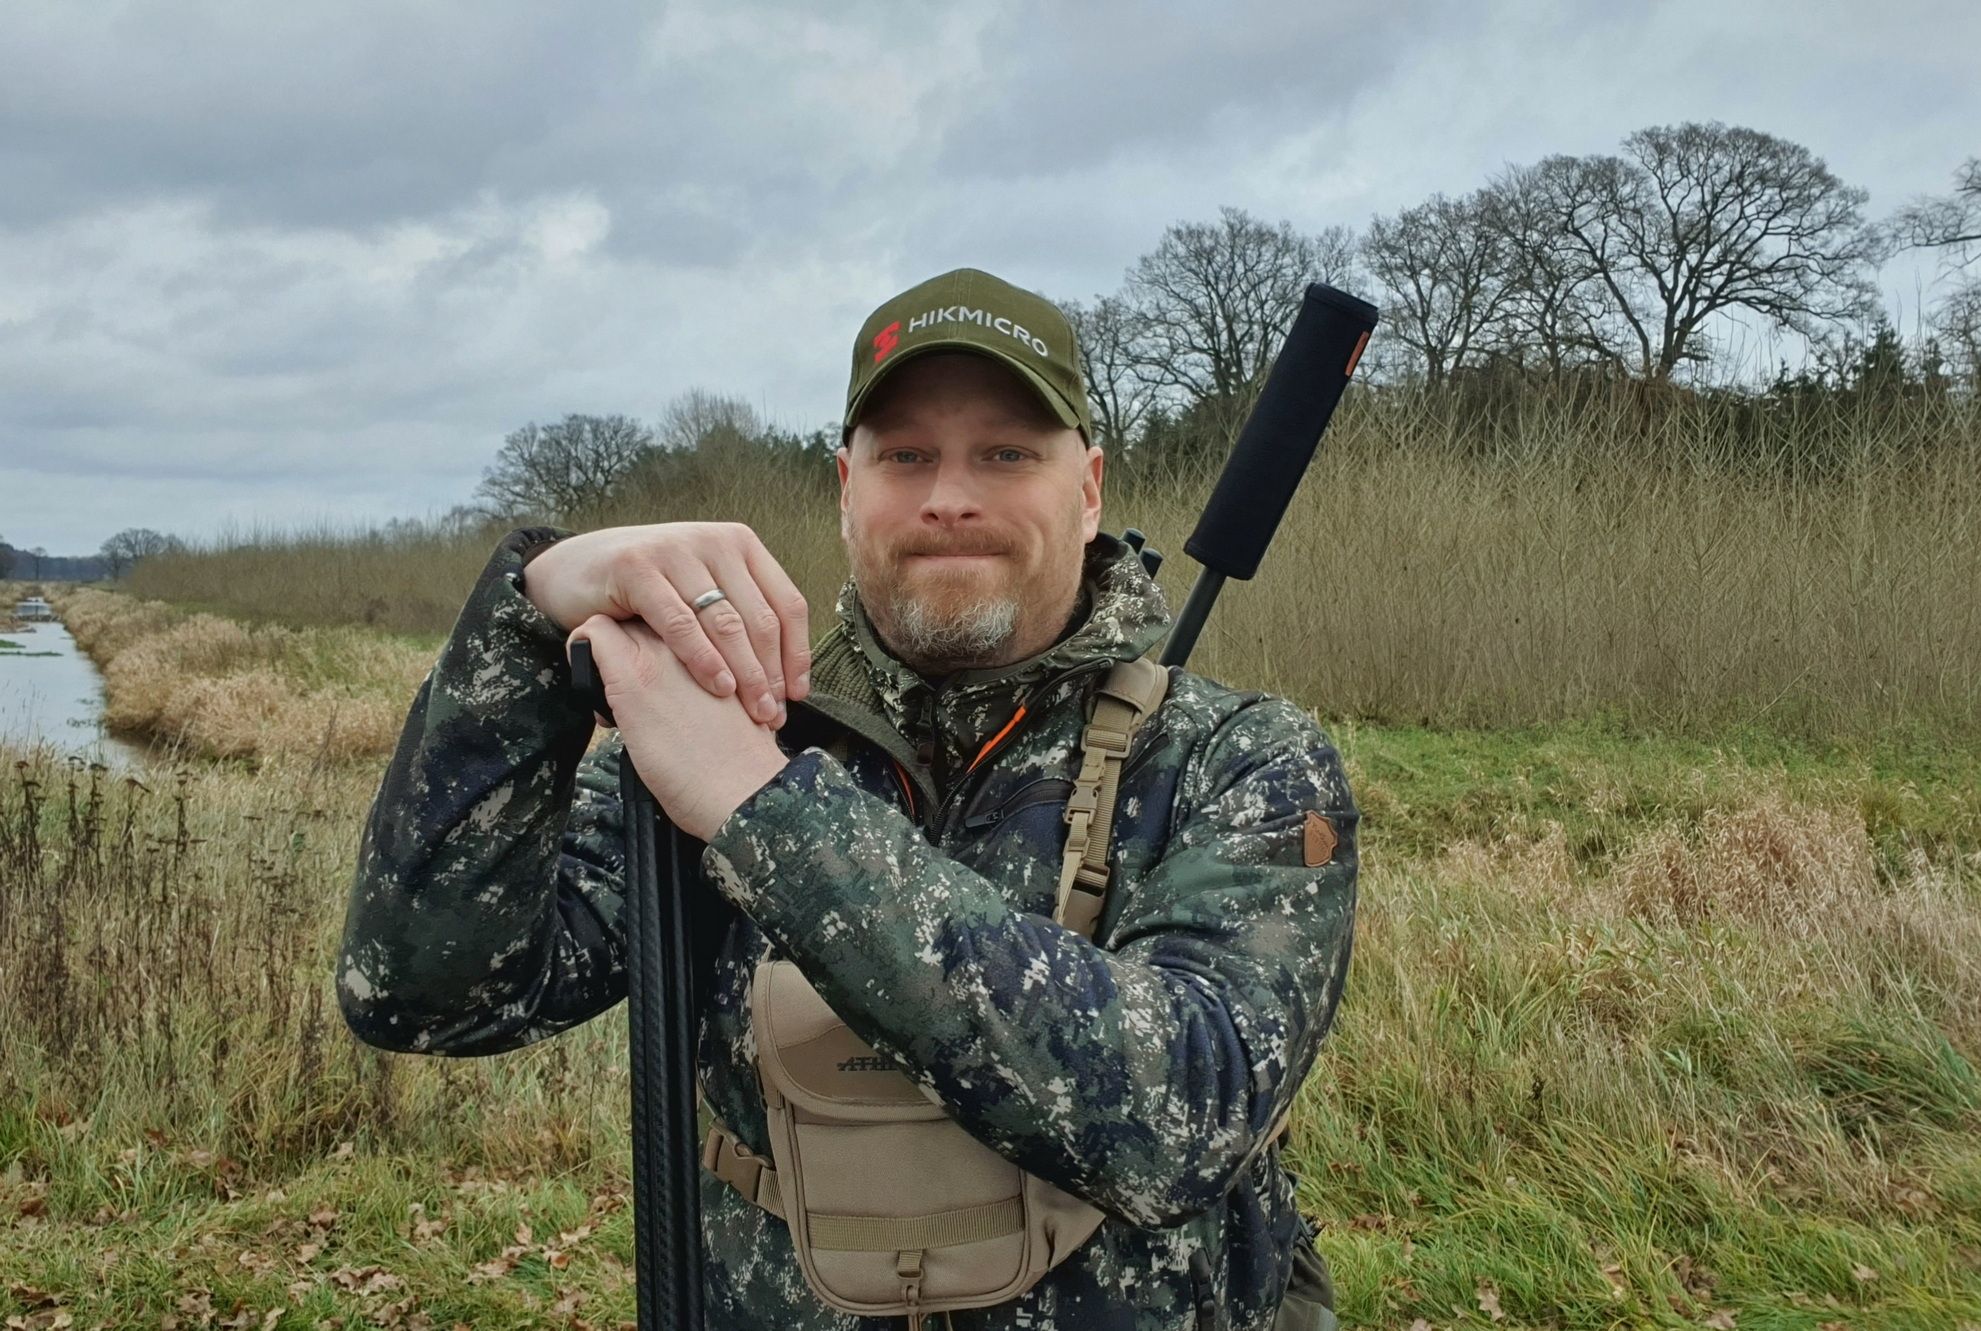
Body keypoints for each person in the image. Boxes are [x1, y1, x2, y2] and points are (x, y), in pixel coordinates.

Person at [339, 268, 1357, 1330]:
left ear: (1089, 486)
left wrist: (761, 810)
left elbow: (1182, 1115)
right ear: (844, 484)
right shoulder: (733, 721)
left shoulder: (1238, 760)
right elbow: (425, 993)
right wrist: (530, 620)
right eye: (904, 454)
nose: (947, 495)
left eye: (1005, 453)